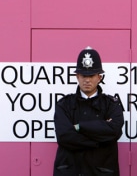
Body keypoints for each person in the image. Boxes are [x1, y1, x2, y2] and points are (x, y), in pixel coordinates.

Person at [53, 47, 124, 175]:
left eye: (91, 75)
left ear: (99, 77)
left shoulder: (111, 105)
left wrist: (79, 127)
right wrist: (99, 139)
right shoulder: (64, 104)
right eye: (83, 75)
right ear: (77, 76)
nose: (87, 80)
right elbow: (64, 136)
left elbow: (114, 132)